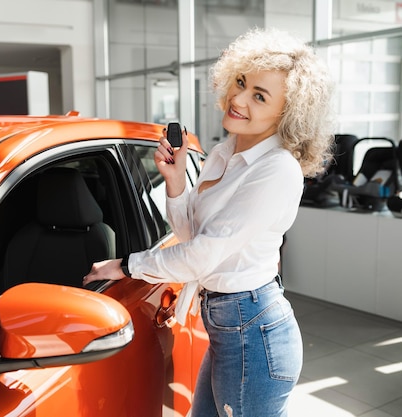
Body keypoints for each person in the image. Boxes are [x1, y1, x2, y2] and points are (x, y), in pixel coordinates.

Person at [83, 27, 335, 417]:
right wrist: (175, 180)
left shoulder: (277, 170)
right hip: (227, 324)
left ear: (287, 112)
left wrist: (125, 265)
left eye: (259, 96)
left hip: (254, 331)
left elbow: (201, 256)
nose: (236, 99)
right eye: (240, 82)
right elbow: (192, 234)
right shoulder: (223, 152)